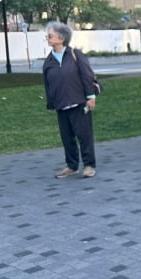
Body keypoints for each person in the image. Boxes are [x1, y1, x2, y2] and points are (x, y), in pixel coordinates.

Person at [42, 21, 98, 179]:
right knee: (67, 138)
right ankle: (72, 166)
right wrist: (51, 103)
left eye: (50, 35)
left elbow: (87, 75)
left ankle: (89, 165)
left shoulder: (74, 54)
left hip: (79, 102)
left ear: (61, 38)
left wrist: (90, 97)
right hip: (61, 105)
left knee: (84, 136)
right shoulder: (49, 61)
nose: (47, 38)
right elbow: (48, 84)